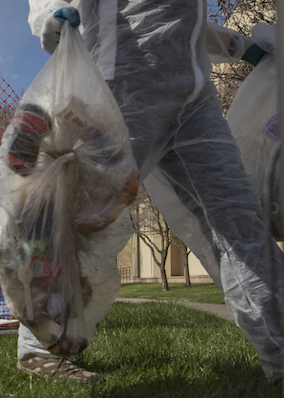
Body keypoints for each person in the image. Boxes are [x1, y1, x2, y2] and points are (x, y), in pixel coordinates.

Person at [15, 0, 283, 383]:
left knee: (237, 219)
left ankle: (280, 350)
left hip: (194, 98)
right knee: (77, 218)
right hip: (121, 84)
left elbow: (179, 19)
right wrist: (52, 12)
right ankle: (38, 347)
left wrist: (238, 46)